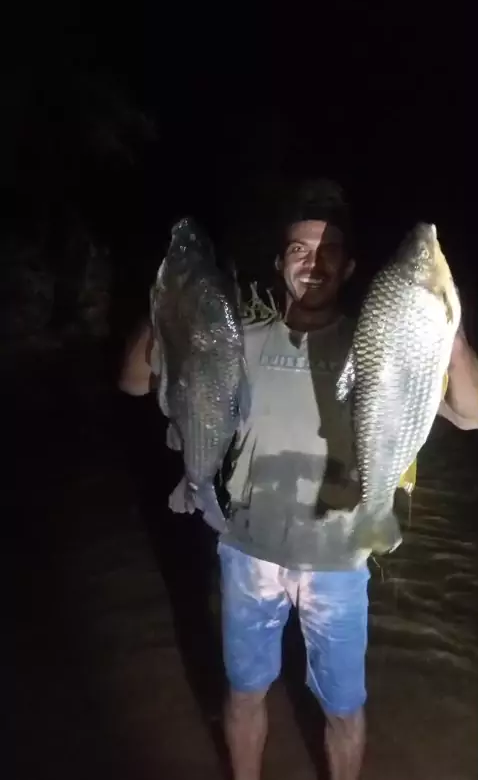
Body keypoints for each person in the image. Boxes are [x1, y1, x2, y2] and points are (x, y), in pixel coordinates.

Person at [119, 180, 478, 780]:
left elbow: (470, 414)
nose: (314, 263)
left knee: (343, 709)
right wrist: (165, 309)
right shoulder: (235, 339)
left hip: (339, 559)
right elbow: (134, 382)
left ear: (351, 266)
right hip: (247, 551)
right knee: (244, 693)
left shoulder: (380, 343)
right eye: (299, 250)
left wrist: (446, 324)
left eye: (330, 250)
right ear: (279, 263)